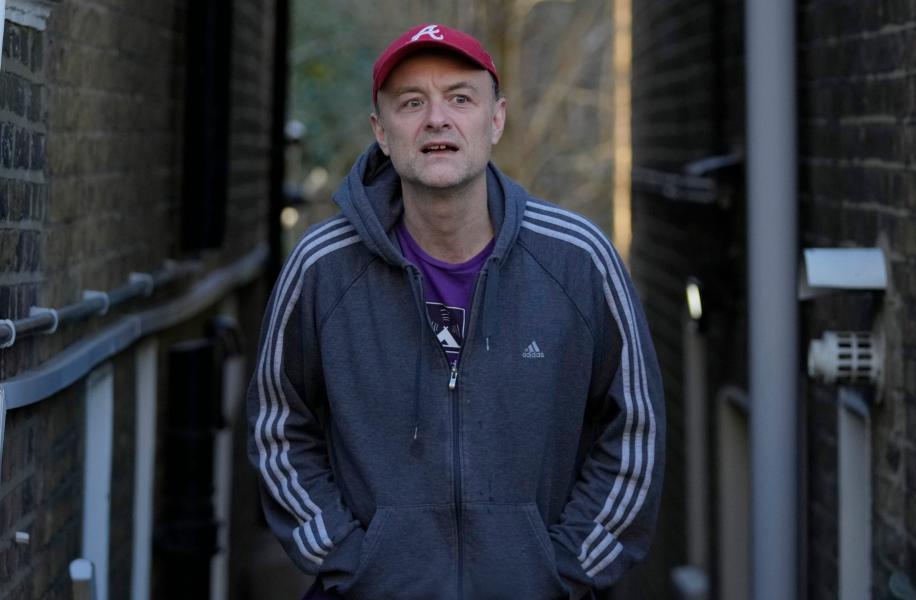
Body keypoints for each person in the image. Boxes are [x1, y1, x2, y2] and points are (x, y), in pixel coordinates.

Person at [248, 22, 665, 600]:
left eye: (460, 99)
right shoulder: (322, 268)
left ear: (496, 120)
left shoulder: (579, 261)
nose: (437, 119)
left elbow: (634, 433)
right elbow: (278, 430)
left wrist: (562, 570)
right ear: (382, 132)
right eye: (411, 102)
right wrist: (352, 562)